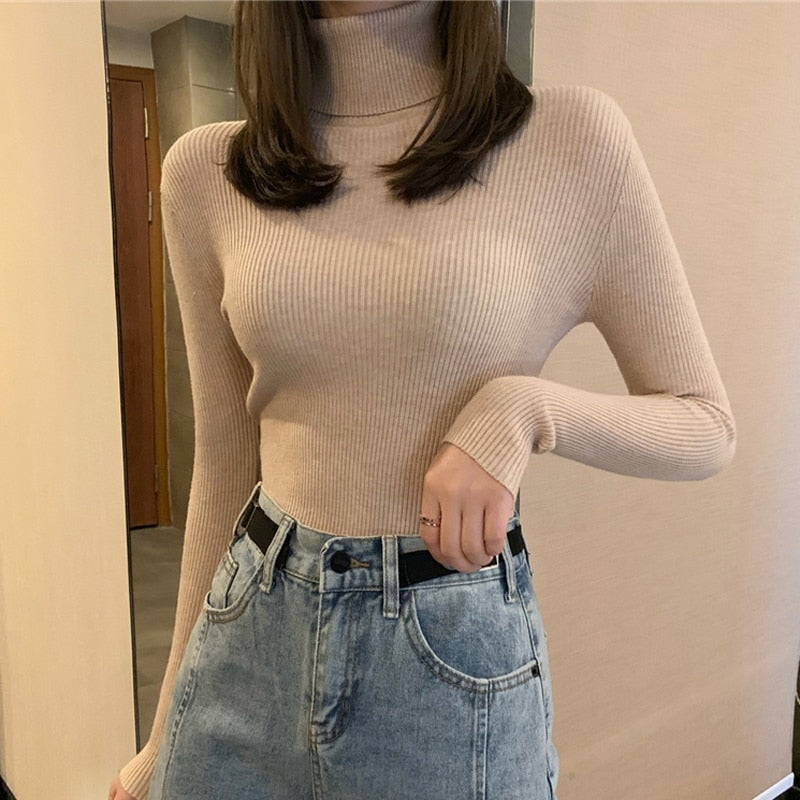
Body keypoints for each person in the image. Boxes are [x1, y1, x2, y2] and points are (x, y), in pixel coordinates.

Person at [109, 1, 736, 798]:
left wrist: (523, 412)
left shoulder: (572, 139)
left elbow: (704, 422)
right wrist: (163, 735)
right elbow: (226, 461)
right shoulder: (207, 171)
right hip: (246, 641)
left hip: (449, 661)